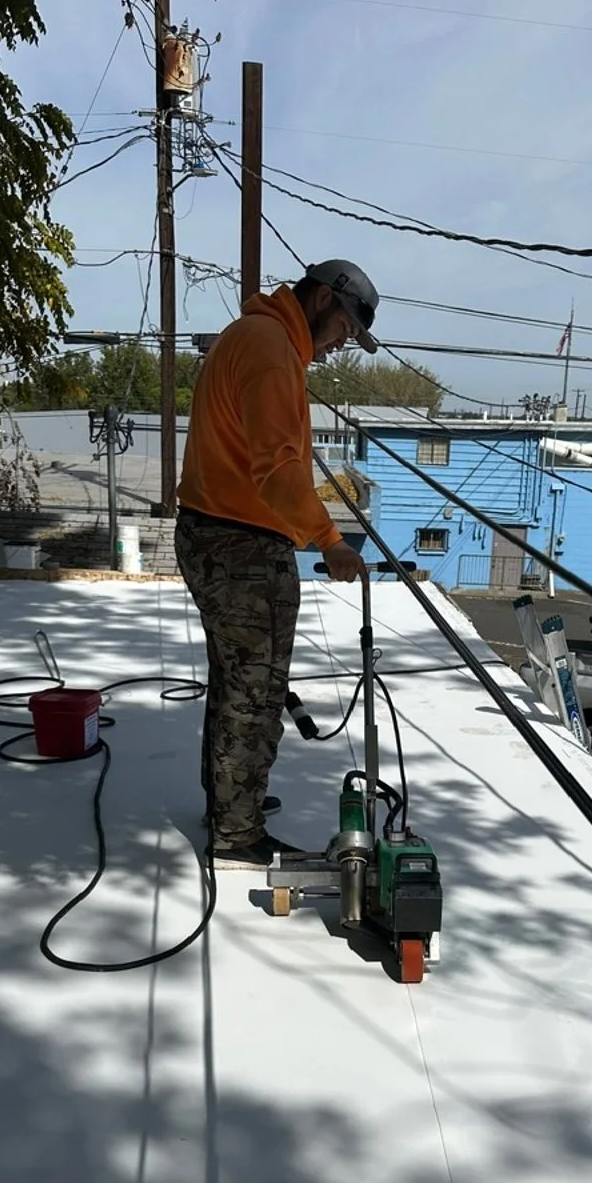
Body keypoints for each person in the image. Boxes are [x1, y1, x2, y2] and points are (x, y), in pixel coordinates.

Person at [175, 259, 379, 867]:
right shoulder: (269, 350)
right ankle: (237, 837)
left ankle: (227, 806)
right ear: (320, 300)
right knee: (255, 693)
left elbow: (274, 458)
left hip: (215, 533)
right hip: (240, 546)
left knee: (235, 681)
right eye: (343, 328)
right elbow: (277, 468)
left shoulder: (258, 338)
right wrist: (328, 539)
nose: (341, 344)